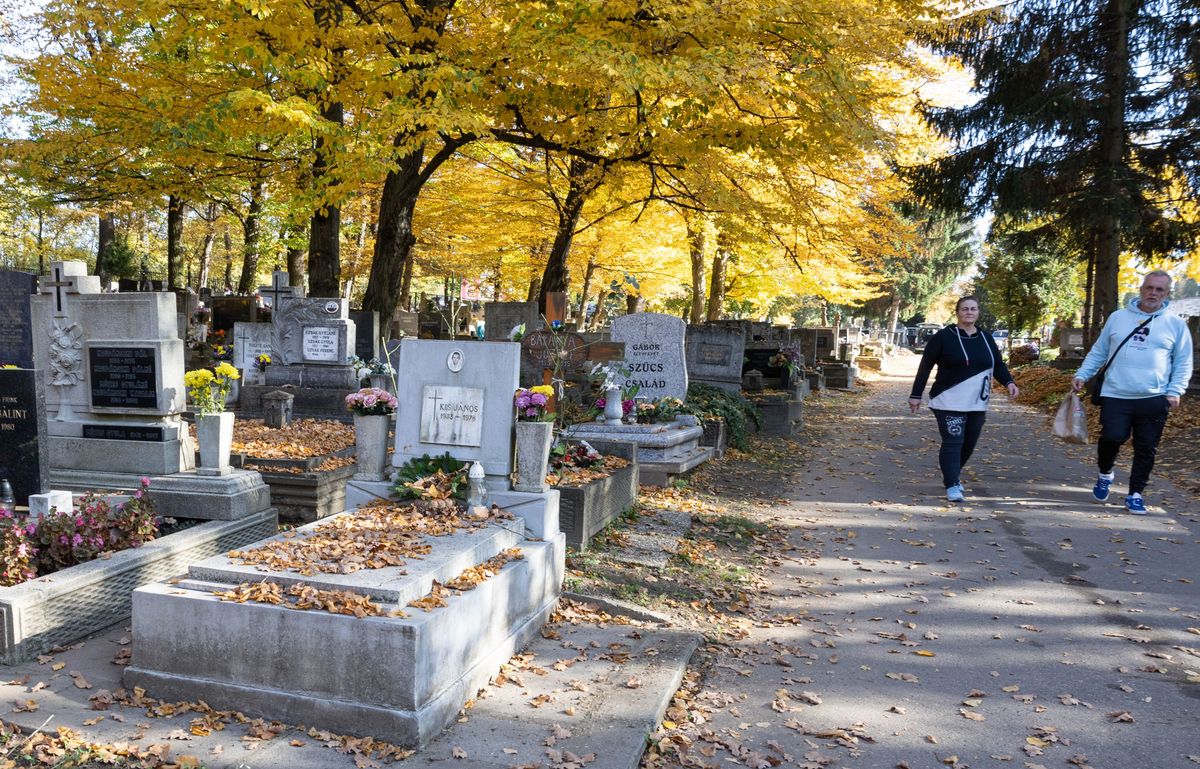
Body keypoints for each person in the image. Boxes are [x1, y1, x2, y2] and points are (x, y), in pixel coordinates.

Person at [1071, 270, 1193, 514]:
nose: (1153, 293)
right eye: (1149, 287)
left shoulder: (1175, 324)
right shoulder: (1118, 318)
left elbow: (1183, 361)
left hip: (1154, 396)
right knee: (1112, 437)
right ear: (1141, 289)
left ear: (1167, 294)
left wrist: (1175, 390)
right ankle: (1105, 473)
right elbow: (1099, 350)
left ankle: (1135, 493)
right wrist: (1082, 374)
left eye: (1159, 289)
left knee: (1146, 448)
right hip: (1116, 394)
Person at [908, 296, 1019, 502]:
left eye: (973, 309)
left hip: (977, 400)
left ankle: (952, 474)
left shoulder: (986, 337)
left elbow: (998, 364)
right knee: (953, 441)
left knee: (968, 443)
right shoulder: (944, 337)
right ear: (957, 312)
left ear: (978, 313)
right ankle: (951, 484)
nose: (969, 312)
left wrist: (1009, 382)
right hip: (947, 399)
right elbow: (925, 367)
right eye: (965, 309)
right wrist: (916, 395)